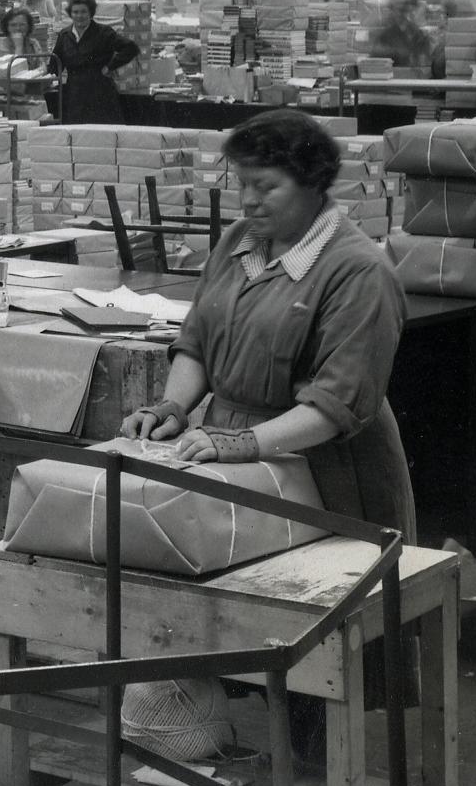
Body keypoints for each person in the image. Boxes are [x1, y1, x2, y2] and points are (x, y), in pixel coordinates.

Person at [119, 108, 413, 534]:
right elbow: (198, 339)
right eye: (242, 184)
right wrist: (173, 406)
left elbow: (336, 405)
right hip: (232, 453)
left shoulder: (360, 272)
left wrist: (246, 443)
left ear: (312, 183)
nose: (249, 200)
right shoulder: (239, 240)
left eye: (266, 186)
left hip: (324, 466)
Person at [49, 0, 140, 123]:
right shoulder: (64, 35)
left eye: (83, 12)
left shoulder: (104, 32)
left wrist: (110, 67)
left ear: (90, 13)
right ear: (70, 14)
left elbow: (131, 48)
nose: (79, 16)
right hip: (75, 93)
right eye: (75, 12)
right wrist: (45, 76)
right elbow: (56, 62)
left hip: (100, 91)